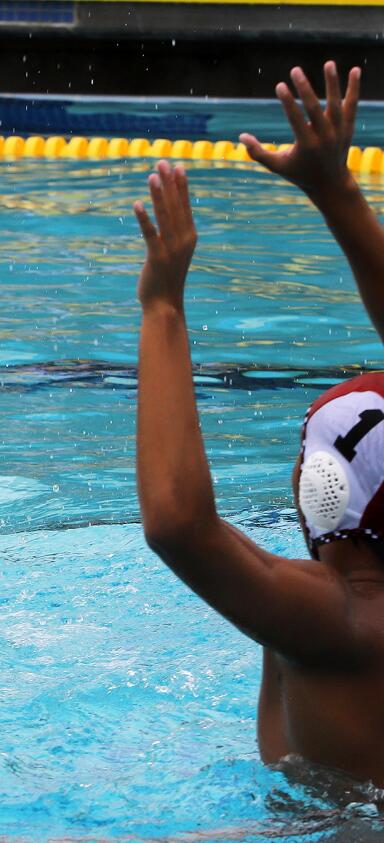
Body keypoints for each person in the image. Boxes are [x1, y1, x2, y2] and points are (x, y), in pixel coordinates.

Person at [135, 61, 384, 785]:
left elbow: (179, 523)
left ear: (320, 487)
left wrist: (163, 309)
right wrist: (336, 191)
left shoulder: (336, 619)